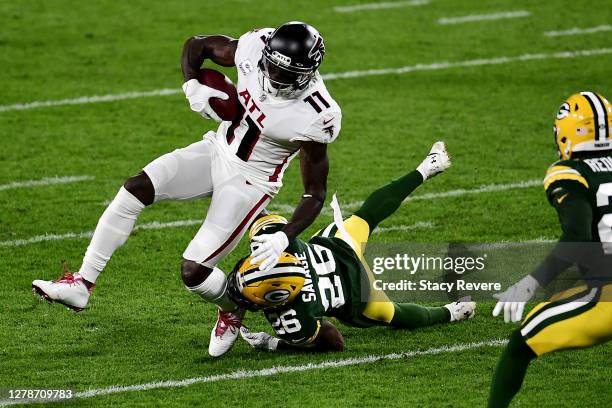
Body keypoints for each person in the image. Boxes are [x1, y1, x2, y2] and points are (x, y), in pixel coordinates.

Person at [32, 21, 342, 357]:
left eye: (287, 75)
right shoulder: (255, 47)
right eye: (272, 68)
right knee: (136, 189)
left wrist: (286, 234)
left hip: (250, 180)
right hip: (215, 149)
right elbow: (198, 45)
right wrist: (192, 84)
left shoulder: (316, 114)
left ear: (308, 72)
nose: (275, 79)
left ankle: (231, 308)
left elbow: (315, 193)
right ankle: (82, 284)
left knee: (194, 272)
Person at [226, 142, 476, 352]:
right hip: (338, 247)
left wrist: (275, 343)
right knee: (366, 216)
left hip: (358, 294)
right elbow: (257, 209)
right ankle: (426, 168)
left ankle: (454, 312)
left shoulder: (293, 317)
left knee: (392, 314)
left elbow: (335, 342)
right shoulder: (277, 242)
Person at [489, 91, 612, 407]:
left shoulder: (568, 172)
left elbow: (578, 238)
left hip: (607, 300)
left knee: (520, 345)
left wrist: (529, 284)